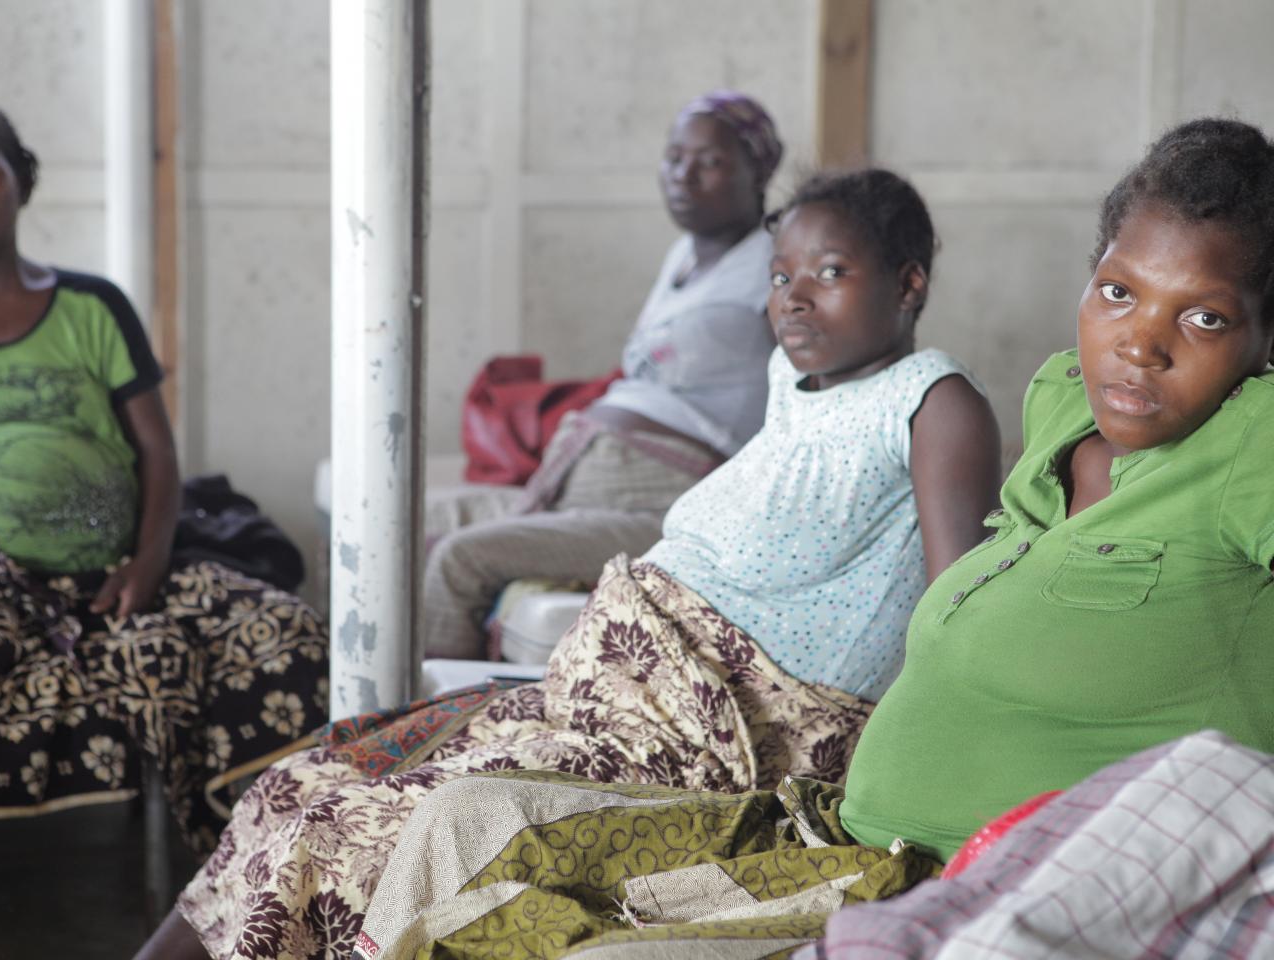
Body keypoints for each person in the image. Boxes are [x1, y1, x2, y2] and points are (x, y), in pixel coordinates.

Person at [353, 117, 1274, 957]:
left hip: (962, 891)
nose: (1140, 343)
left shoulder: (1251, 444)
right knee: (464, 821)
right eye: (1118, 291)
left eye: (1204, 317)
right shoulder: (1064, 411)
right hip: (827, 838)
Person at [134, 167, 1002, 960]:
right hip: (609, 701)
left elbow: (953, 614)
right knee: (302, 781)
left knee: (345, 829)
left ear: (909, 284)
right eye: (780, 277)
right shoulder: (797, 381)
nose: (795, 298)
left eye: (830, 273)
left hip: (706, 739)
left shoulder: (933, 402)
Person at [0, 97, 331, 960]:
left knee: (286, 634)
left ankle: (251, 906)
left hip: (114, 571)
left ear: (19, 179)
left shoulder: (92, 307)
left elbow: (158, 454)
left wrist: (148, 562)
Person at [423, 91, 785, 659]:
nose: (683, 174)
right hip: (581, 481)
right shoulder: (684, 255)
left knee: (459, 558)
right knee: (401, 520)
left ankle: (430, 714)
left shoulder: (777, 264)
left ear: (758, 170)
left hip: (661, 501)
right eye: (674, 157)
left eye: (710, 161)